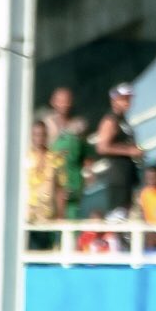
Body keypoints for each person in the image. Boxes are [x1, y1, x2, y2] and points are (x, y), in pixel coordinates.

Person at [94, 84, 143, 214]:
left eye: (128, 98)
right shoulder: (110, 120)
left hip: (127, 175)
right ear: (114, 100)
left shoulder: (123, 120)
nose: (127, 102)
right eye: (123, 98)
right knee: (117, 214)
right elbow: (102, 147)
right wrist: (129, 151)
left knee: (128, 212)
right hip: (118, 176)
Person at [42, 87, 88, 218]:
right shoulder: (47, 124)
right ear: (53, 102)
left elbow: (85, 153)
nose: (64, 104)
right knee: (54, 214)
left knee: (72, 215)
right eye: (60, 101)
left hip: (73, 177)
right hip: (52, 176)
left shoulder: (79, 125)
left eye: (67, 101)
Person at [25, 120, 67, 248]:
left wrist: (60, 214)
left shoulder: (54, 158)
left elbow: (60, 189)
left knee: (45, 251)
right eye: (36, 134)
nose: (39, 138)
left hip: (47, 214)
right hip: (26, 215)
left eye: (42, 134)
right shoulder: (24, 158)